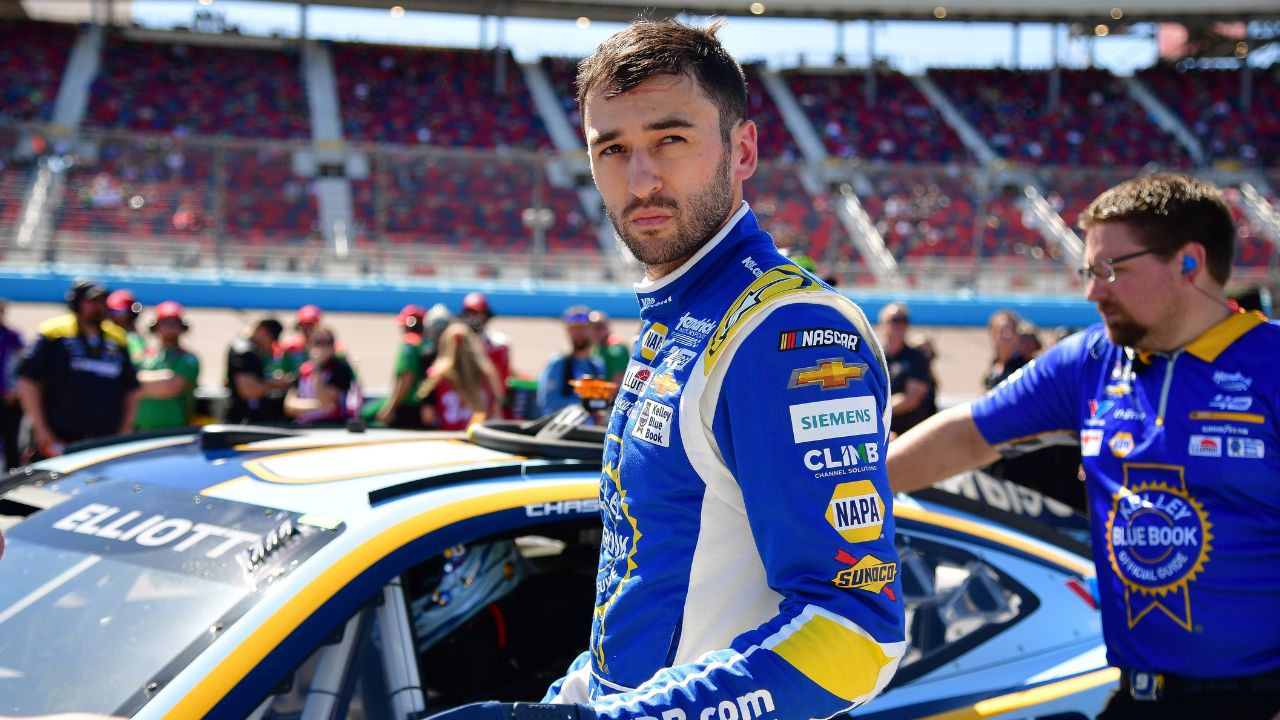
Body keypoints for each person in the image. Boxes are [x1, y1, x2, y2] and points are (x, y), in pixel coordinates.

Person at [538, 20, 904, 720]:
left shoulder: (788, 331)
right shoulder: (678, 312)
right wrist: (573, 700)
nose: (641, 180)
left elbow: (857, 631)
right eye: (612, 149)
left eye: (670, 140)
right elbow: (647, 587)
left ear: (743, 151)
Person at [888, 173, 1280, 718]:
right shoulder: (1091, 360)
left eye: (1110, 270)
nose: (1093, 292)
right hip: (1135, 692)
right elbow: (968, 434)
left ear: (1189, 263)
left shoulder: (1270, 363)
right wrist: (849, 490)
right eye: (1088, 272)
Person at [15, 280, 140, 458]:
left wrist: (124, 430)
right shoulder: (54, 334)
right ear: (76, 303)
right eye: (92, 301)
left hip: (104, 443)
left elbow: (132, 389)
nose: (98, 307)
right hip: (59, 442)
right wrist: (41, 430)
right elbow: (27, 380)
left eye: (102, 301)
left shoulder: (117, 339)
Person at [415, 322, 504, 430]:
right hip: (478, 435)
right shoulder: (487, 373)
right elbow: (496, 409)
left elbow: (428, 416)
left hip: (448, 436)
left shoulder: (437, 376)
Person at [135, 301, 201, 431]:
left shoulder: (188, 359)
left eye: (174, 322)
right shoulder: (144, 356)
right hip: (140, 431)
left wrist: (138, 382)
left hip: (173, 431)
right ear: (155, 326)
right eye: (165, 322)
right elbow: (127, 386)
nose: (170, 327)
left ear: (182, 327)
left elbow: (170, 386)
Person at [877, 302, 937, 436]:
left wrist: (875, 411)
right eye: (895, 320)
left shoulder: (916, 358)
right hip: (883, 434)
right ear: (883, 324)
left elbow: (911, 399)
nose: (900, 325)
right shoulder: (876, 358)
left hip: (910, 434)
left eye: (904, 320)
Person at [536, 306, 605, 416]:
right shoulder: (558, 363)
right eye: (574, 329)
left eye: (583, 328)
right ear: (567, 331)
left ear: (591, 330)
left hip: (591, 426)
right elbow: (547, 403)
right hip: (563, 424)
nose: (579, 333)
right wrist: (584, 404)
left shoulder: (596, 365)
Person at [285, 326, 360, 425]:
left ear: (333, 347)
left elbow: (326, 400)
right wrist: (318, 405)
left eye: (327, 342)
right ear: (309, 345)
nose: (322, 347)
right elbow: (289, 406)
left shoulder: (340, 369)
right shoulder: (303, 370)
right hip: (305, 425)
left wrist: (318, 367)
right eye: (318, 342)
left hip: (331, 426)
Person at [369, 304, 429, 428]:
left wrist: (389, 409)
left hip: (406, 406)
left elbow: (406, 378)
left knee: (365, 415)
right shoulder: (426, 343)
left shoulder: (409, 344)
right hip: (424, 406)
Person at [224, 316, 289, 424]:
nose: (270, 346)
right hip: (243, 419)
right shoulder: (244, 351)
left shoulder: (246, 348)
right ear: (263, 331)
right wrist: (277, 383)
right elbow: (248, 391)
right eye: (272, 339)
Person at [460, 292, 512, 390]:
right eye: (469, 313)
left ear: (485, 314)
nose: (473, 317)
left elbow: (503, 376)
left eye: (476, 313)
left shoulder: (499, 343)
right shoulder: (458, 341)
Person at [0, 299, 25, 469]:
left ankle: (12, 476)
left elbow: (23, 365)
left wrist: (14, 389)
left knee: (11, 442)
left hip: (8, 398)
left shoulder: (12, 336)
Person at [982, 308, 1028, 390]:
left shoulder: (1023, 368)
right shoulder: (995, 365)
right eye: (1002, 330)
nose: (1007, 335)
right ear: (993, 334)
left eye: (1011, 330)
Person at [588, 309, 630, 384]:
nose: (593, 331)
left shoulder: (616, 349)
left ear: (607, 326)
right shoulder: (597, 347)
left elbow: (617, 383)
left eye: (599, 327)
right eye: (590, 327)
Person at [106, 288, 146, 365]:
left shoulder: (133, 337)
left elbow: (138, 358)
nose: (113, 315)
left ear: (132, 313)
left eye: (119, 312)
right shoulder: (104, 331)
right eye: (110, 311)